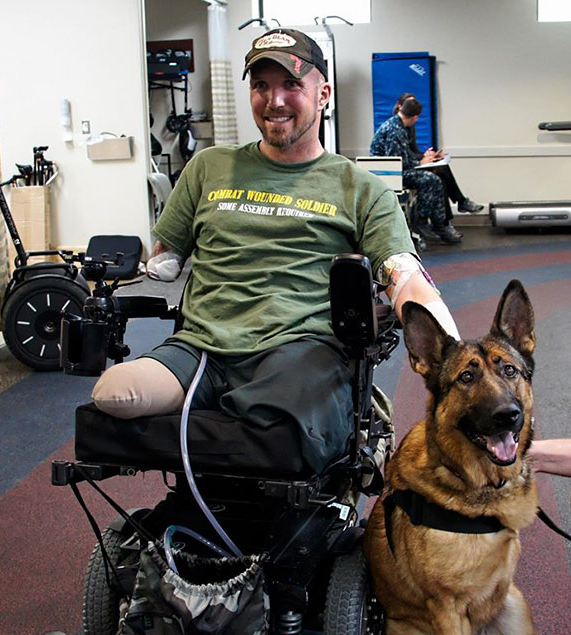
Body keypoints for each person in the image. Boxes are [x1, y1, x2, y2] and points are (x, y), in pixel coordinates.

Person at [92, 28, 460, 474]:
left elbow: (405, 277)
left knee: (276, 424)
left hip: (295, 349)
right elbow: (167, 252)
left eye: (291, 85)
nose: (275, 100)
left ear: (322, 93)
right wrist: (156, 262)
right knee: (113, 396)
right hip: (200, 348)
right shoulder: (209, 167)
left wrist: (453, 353)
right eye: (261, 86)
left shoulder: (360, 189)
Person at [392, 92, 483, 229]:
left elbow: (412, 151)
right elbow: (397, 159)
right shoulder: (395, 129)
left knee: (441, 168)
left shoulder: (407, 127)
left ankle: (452, 213)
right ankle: (433, 222)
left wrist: (427, 156)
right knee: (434, 177)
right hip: (395, 171)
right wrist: (421, 162)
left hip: (407, 165)